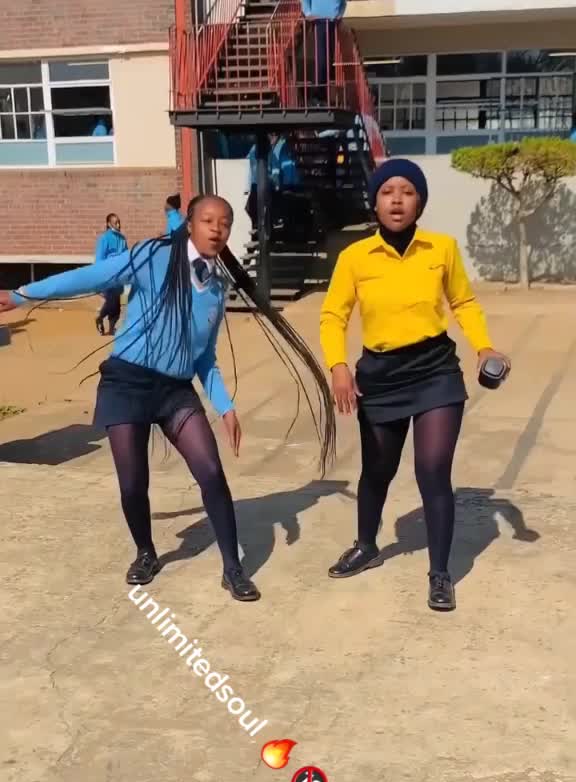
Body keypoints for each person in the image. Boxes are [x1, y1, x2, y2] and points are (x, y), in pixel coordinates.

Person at [0, 195, 335, 601]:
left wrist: (225, 407)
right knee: (133, 482)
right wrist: (24, 294)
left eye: (225, 223)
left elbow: (204, 358)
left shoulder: (216, 288)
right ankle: (146, 553)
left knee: (211, 471)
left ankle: (233, 568)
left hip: (175, 392)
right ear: (189, 224)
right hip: (126, 384)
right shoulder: (151, 257)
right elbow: (93, 276)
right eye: (208, 220)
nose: (217, 229)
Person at [319, 158, 511, 612]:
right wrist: (338, 366)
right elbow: (333, 315)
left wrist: (483, 346)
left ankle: (440, 573)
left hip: (435, 371)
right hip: (380, 376)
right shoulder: (354, 257)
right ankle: (367, 545)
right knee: (378, 471)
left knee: (433, 470)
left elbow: (463, 302)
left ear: (420, 202)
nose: (397, 200)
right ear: (375, 201)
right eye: (388, 192)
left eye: (407, 192)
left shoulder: (441, 248)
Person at [245, 133, 300, 230]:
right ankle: (261, 223)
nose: (272, 138)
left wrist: (276, 183)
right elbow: (275, 169)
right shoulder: (258, 151)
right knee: (257, 204)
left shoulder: (266, 152)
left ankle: (267, 222)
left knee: (266, 203)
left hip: (263, 185)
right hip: (259, 185)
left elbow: (275, 169)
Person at [300, 0, 346, 104]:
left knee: (328, 59)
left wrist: (339, 15)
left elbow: (343, 3)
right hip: (319, 21)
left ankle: (321, 95)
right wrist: (308, 13)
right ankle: (317, 95)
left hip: (332, 22)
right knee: (322, 59)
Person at [94, 213, 128, 336]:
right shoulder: (105, 238)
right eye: (115, 222)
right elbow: (100, 257)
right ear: (109, 224)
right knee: (112, 300)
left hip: (120, 273)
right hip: (109, 272)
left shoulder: (122, 239)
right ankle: (100, 317)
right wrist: (99, 275)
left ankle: (111, 328)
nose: (118, 225)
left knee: (116, 301)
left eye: (119, 222)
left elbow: (126, 255)